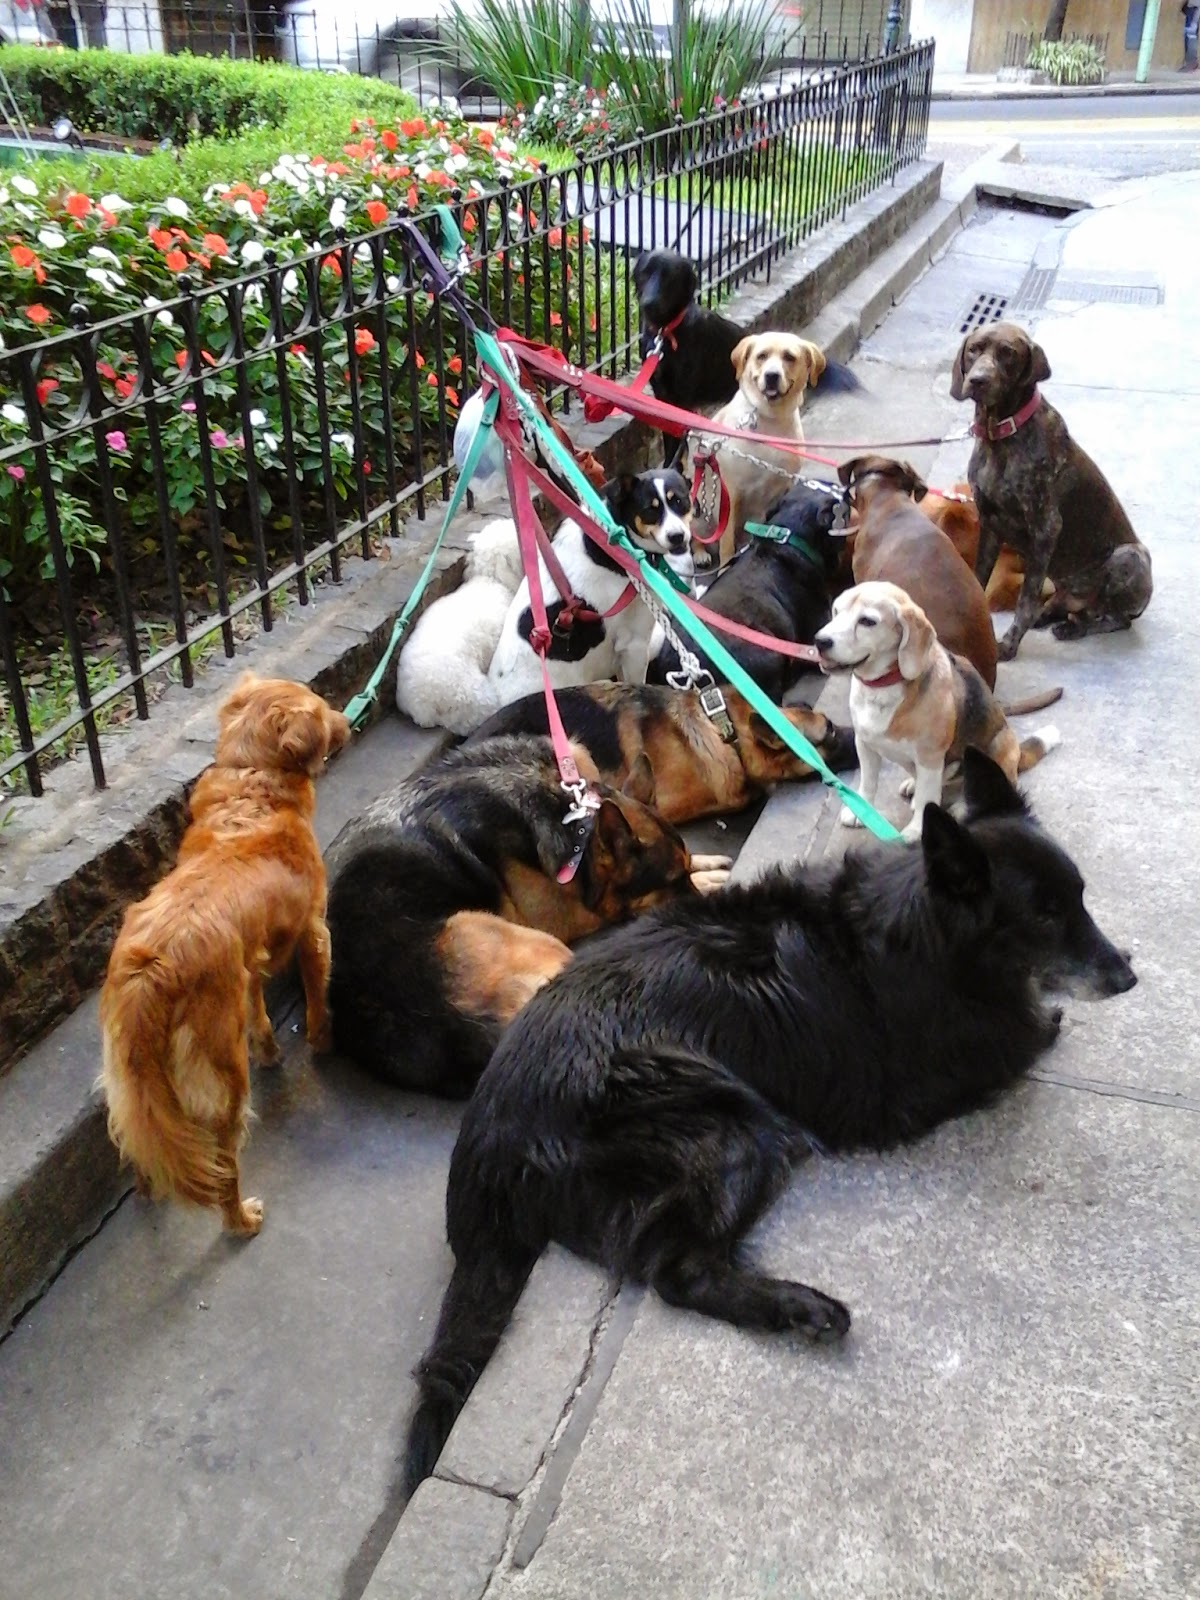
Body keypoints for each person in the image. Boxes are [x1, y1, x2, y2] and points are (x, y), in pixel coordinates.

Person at [1183, 2, 1200, 71]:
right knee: (1190, 34)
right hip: (1193, 6)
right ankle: (1191, 63)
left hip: (1194, 6)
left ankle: (1191, 63)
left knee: (1190, 34)